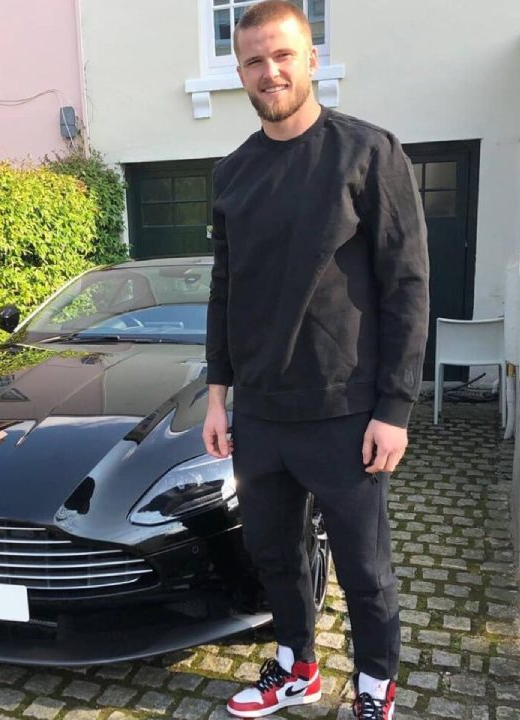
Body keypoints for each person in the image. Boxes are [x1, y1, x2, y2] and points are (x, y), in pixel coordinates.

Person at [202, 2, 429, 718]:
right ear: (238, 71)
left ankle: (373, 688)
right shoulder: (232, 172)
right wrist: (216, 394)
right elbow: (224, 287)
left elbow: (406, 285)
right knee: (274, 555)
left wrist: (393, 411)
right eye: (252, 61)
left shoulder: (366, 153)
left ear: (310, 59)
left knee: (365, 572)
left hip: (344, 413)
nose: (268, 72)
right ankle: (295, 666)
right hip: (261, 416)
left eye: (281, 56)